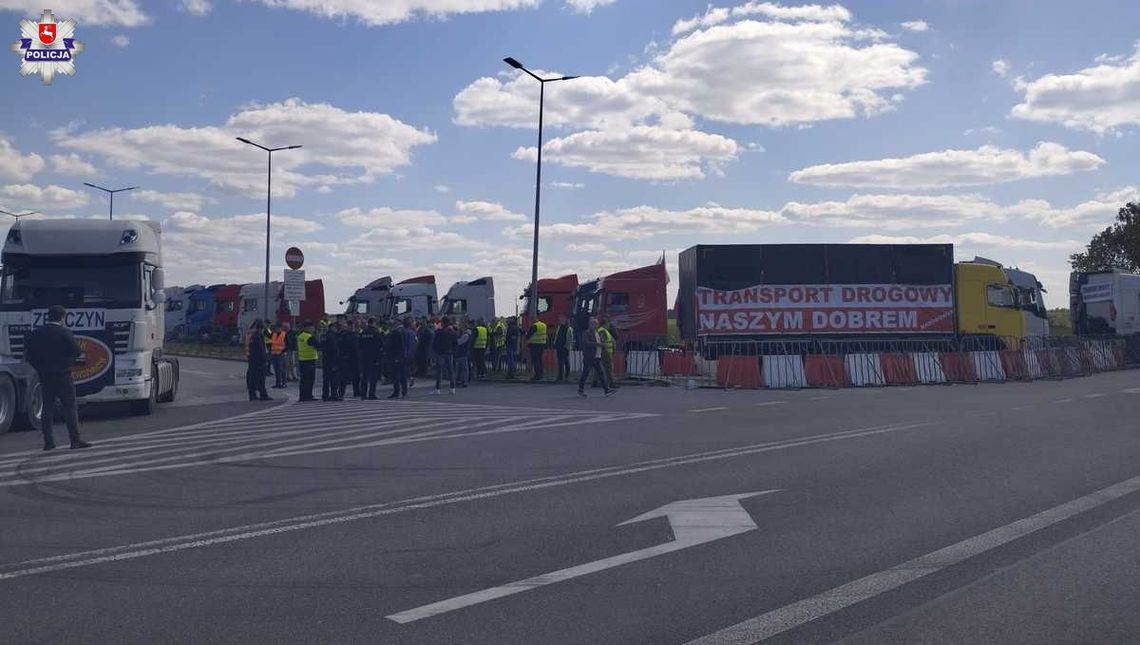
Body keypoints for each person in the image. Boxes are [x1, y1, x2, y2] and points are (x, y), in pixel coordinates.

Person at [24, 304, 90, 451]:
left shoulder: (37, 333)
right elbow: (77, 351)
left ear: (48, 316)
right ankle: (75, 440)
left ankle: (48, 442)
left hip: (45, 375)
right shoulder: (64, 333)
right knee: (70, 407)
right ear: (62, 317)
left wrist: (40, 367)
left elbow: (29, 355)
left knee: (47, 407)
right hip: (63, 375)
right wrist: (68, 362)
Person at [578, 317, 615, 398]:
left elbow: (600, 342)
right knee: (585, 373)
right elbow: (586, 343)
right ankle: (580, 389)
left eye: (596, 324)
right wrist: (598, 344)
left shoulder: (597, 333)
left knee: (602, 373)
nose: (595, 326)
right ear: (590, 324)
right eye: (594, 324)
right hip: (589, 357)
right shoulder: (586, 333)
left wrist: (603, 345)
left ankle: (607, 390)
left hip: (597, 356)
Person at [388, 317, 417, 399]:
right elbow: (415, 345)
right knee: (404, 375)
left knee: (396, 375)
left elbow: (392, 345)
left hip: (398, 356)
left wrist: (392, 355)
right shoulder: (413, 333)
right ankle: (404, 392)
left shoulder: (397, 332)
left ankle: (396, 392)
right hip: (409, 357)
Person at [246, 319, 272, 402]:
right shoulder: (258, 336)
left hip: (251, 359)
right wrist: (265, 359)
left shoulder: (251, 334)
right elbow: (261, 349)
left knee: (253, 378)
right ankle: (262, 395)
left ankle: (253, 395)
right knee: (260, 379)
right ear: (261, 328)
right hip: (259, 360)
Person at [431, 317, 458, 395]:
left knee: (439, 371)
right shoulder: (452, 332)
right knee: (450, 371)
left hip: (440, 353)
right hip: (449, 353)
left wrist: (435, 351)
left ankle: (437, 389)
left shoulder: (439, 332)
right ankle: (452, 388)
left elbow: (435, 343)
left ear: (443, 323)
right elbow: (455, 343)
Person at [358, 317, 383, 400]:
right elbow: (380, 345)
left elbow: (360, 345)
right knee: (373, 377)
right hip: (373, 357)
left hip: (365, 357)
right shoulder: (376, 332)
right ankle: (371, 394)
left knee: (364, 377)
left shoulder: (363, 332)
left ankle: (363, 394)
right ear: (374, 323)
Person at [295, 320, 318, 401]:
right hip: (310, 360)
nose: (313, 328)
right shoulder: (309, 337)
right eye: (311, 327)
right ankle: (308, 396)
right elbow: (317, 345)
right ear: (306, 328)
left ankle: (303, 396)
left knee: (304, 379)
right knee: (310, 379)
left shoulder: (300, 336)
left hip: (302, 359)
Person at [319, 321, 342, 401]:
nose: (337, 329)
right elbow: (334, 350)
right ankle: (334, 395)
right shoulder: (332, 336)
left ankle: (325, 395)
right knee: (334, 379)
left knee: (326, 379)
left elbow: (321, 346)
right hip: (332, 360)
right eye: (336, 327)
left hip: (325, 360)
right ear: (332, 327)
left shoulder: (324, 336)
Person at [338, 320, 360, 399]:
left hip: (353, 358)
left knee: (355, 376)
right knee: (344, 377)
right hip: (347, 358)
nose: (352, 327)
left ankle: (356, 392)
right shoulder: (344, 335)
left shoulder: (354, 334)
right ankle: (341, 393)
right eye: (351, 326)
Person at [527, 316, 547, 381]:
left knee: (536, 361)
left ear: (533, 320)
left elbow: (528, 335)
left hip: (535, 345)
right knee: (540, 360)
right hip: (542, 344)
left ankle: (537, 375)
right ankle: (541, 374)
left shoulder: (534, 326)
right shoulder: (543, 325)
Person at [415, 318, 434, 388]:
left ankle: (423, 372)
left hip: (425, 347)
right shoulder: (422, 330)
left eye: (423, 322)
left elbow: (422, 338)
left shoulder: (427, 331)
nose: (422, 324)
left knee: (424, 360)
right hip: (422, 347)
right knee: (421, 359)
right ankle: (421, 371)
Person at [553, 315, 572, 382]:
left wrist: (567, 346)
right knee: (560, 362)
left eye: (561, 319)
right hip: (559, 346)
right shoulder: (559, 327)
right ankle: (560, 376)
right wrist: (555, 343)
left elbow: (569, 339)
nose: (559, 321)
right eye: (559, 320)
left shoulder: (568, 328)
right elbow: (557, 336)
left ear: (565, 320)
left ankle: (567, 376)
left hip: (565, 347)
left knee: (566, 361)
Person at [269, 323, 287, 389]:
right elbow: (271, 343)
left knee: (282, 369)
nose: (277, 329)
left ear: (281, 328)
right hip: (274, 354)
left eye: (278, 328)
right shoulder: (273, 334)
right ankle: (278, 383)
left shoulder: (284, 334)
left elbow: (287, 344)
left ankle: (284, 383)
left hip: (281, 354)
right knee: (276, 369)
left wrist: (283, 351)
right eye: (276, 328)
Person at [455, 321, 471, 388]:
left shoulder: (466, 335)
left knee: (464, 368)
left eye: (461, 326)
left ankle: (464, 381)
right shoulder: (463, 334)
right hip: (461, 353)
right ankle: (460, 380)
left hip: (463, 353)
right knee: (460, 368)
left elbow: (459, 342)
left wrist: (456, 337)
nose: (459, 327)